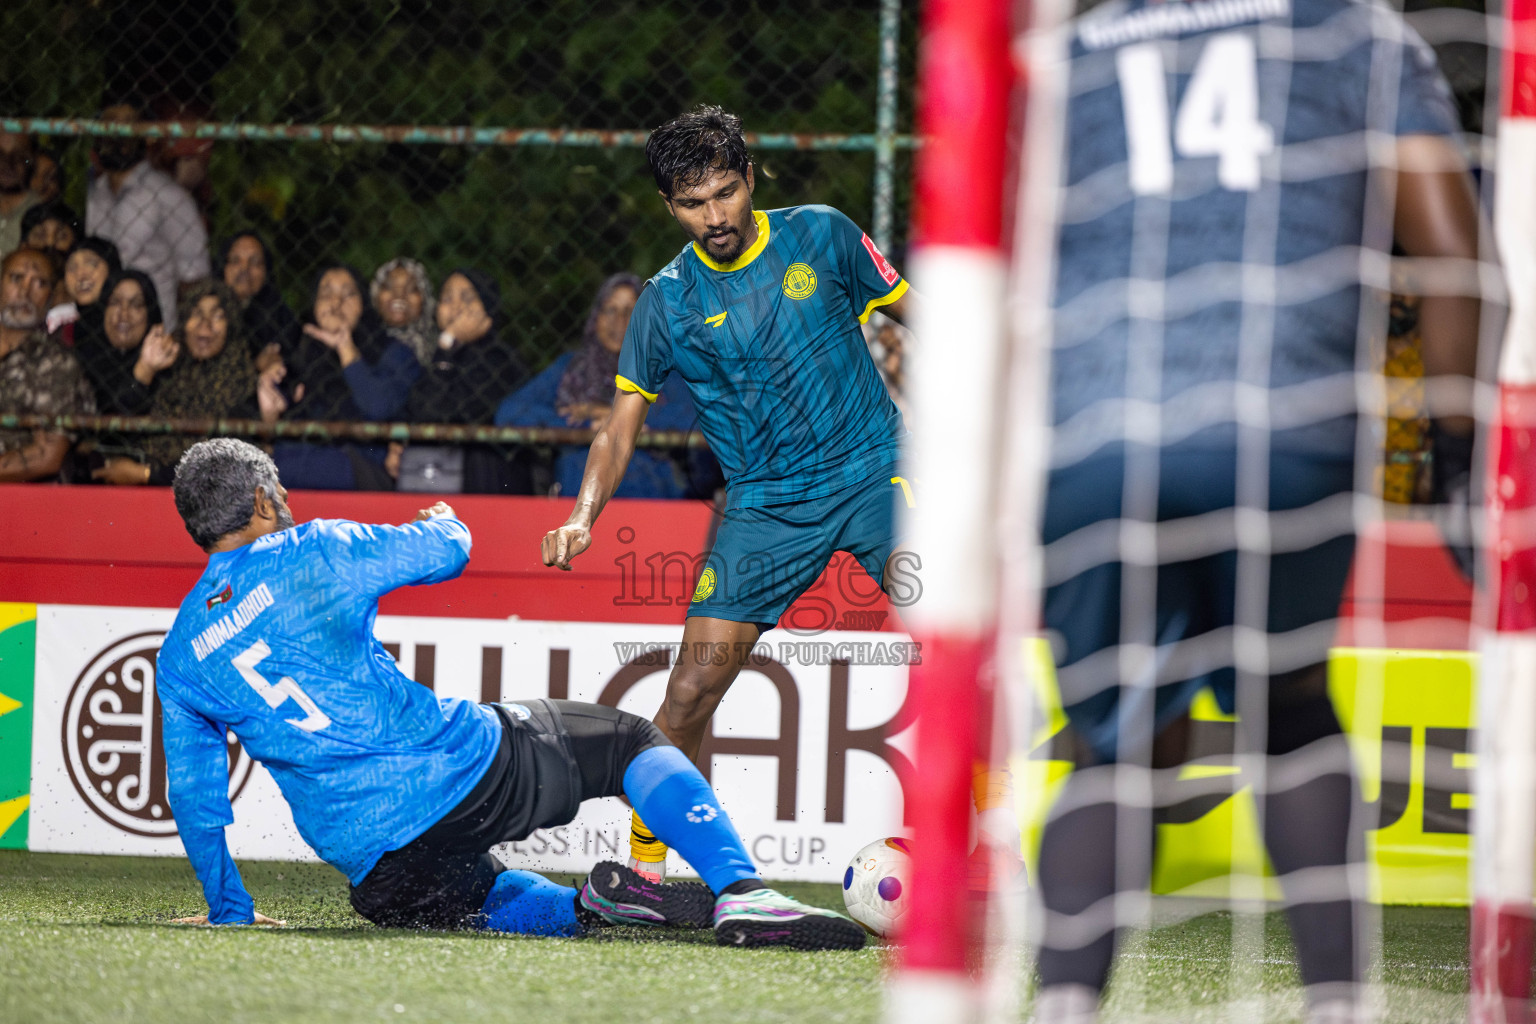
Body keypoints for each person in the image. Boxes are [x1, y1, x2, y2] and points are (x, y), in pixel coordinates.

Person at [1029, 1, 1487, 1022]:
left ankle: (1063, 999)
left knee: (1111, 742)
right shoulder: (1352, 28)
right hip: (1282, 419)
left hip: (1096, 431)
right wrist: (1458, 456)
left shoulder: (1073, 48)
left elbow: (1018, 257)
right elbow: (1455, 254)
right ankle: (1335, 1001)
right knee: (1288, 708)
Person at [156, 437, 864, 950]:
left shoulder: (182, 652)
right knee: (629, 742)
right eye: (280, 493)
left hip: (377, 871)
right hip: (459, 775)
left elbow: (194, 795)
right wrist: (442, 521)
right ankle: (746, 893)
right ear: (261, 499)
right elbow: (446, 553)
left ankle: (594, 906)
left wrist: (229, 910)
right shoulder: (313, 547)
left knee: (482, 894)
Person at [539, 106, 915, 881]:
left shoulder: (822, 234)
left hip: (877, 472)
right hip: (766, 505)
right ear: (667, 207)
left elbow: (926, 318)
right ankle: (645, 877)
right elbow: (618, 428)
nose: (713, 216)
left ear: (751, 178)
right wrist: (583, 515)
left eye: (723, 193)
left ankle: (993, 854)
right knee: (690, 688)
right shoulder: (667, 301)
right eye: (691, 203)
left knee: (955, 636)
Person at [496, 271, 713, 499]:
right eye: (610, 309)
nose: (619, 321)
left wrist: (624, 419)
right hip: (579, 495)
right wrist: (585, 425)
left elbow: (698, 420)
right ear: (596, 317)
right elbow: (509, 412)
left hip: (652, 498)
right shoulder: (571, 368)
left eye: (631, 311)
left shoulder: (664, 369)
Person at [268, 263, 418, 491]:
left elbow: (378, 405)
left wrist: (347, 349)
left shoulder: (393, 352)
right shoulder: (297, 352)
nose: (336, 303)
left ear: (364, 304)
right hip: (296, 461)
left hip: (363, 463)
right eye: (326, 293)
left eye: (348, 294)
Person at [93, 281, 256, 486]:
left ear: (231, 326)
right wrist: (144, 372)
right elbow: (111, 430)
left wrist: (145, 474)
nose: (204, 324)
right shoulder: (167, 368)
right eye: (196, 314)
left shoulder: (241, 381)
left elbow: (223, 464)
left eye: (217, 316)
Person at [395, 268, 527, 494]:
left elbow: (440, 412)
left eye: (467, 298)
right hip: (432, 480)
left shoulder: (502, 360)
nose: (456, 306)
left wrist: (446, 347)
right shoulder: (429, 354)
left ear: (488, 307)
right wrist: (446, 346)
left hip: (487, 483)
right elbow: (420, 408)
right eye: (447, 298)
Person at [86, 104, 210, 330]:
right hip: (103, 330)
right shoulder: (97, 194)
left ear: (145, 137)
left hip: (157, 331)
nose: (115, 134)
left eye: (125, 127)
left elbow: (194, 279)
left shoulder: (169, 196)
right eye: (108, 126)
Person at [0, 247, 96, 482]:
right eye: (16, 278)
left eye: (39, 283)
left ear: (51, 297)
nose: (25, 292)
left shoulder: (57, 362)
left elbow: (46, 457)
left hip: (26, 502)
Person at [77, 268, 172, 416]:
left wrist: (145, 370)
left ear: (150, 314)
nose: (124, 314)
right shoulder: (81, 360)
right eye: (115, 302)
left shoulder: (167, 365)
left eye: (136, 304)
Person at [219, 232, 297, 370]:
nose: (244, 269)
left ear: (266, 271)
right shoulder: (206, 307)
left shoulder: (280, 316)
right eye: (236, 260)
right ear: (223, 267)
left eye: (254, 262)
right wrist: (254, 367)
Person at [48, 236, 122, 342]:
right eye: (72, 267)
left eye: (91, 264)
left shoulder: (131, 323)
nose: (81, 275)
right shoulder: (59, 328)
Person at [370, 257, 436, 366]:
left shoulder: (439, 347)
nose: (399, 295)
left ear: (424, 297)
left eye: (411, 289)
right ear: (375, 295)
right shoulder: (360, 343)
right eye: (388, 286)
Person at [0, 132, 40, 257]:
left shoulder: (42, 213)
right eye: (0, 156)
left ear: (32, 160)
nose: (8, 164)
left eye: (18, 157)